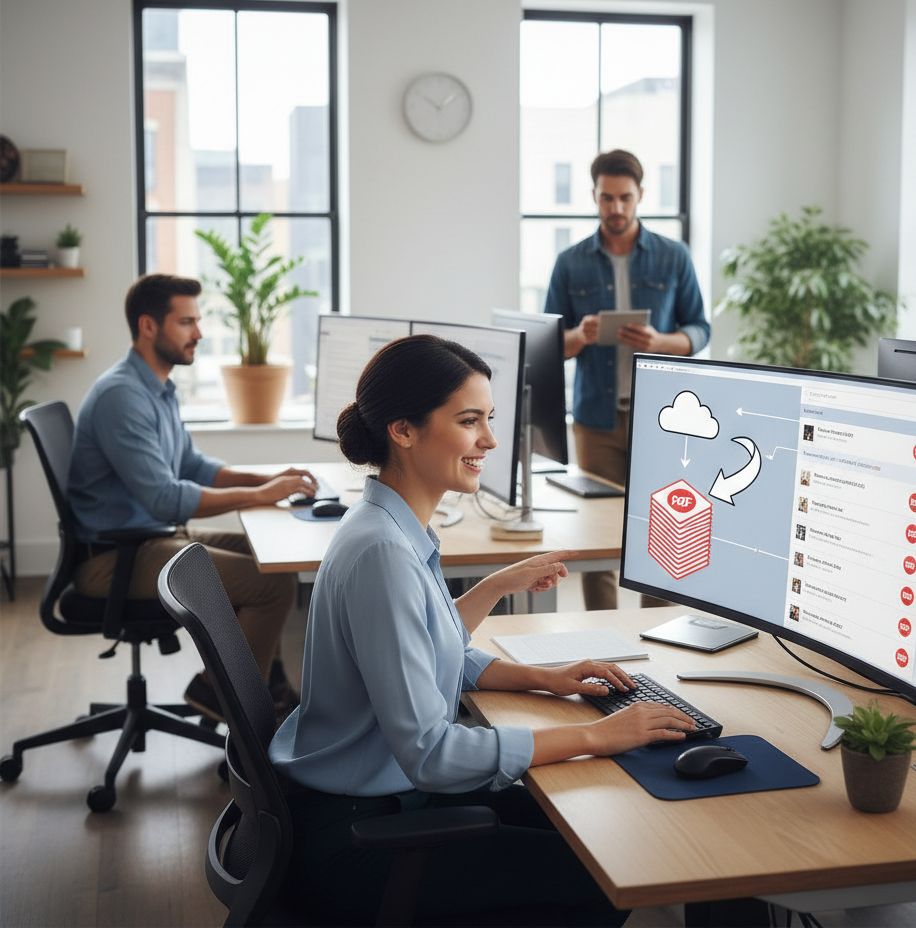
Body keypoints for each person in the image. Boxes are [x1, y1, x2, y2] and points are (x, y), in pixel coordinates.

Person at [270, 335, 697, 926]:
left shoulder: (389, 526)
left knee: (593, 825)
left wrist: (545, 676)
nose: (491, 441)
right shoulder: (382, 553)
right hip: (358, 842)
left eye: (489, 419)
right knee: (606, 876)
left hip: (378, 800)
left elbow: (431, 647)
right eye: (470, 421)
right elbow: (431, 753)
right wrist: (597, 736)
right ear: (404, 430)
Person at [68, 273, 317, 721]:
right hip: (113, 559)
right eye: (187, 322)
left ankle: (268, 688)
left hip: (150, 538)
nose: (199, 333)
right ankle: (227, 701)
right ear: (148, 326)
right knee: (272, 586)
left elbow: (192, 466)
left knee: (270, 560)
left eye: (198, 321)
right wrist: (259, 495)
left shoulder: (157, 387)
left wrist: (267, 478)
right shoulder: (122, 396)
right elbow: (166, 498)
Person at [545, 149, 711, 610]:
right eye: (606, 198)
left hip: (663, 418)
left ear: (640, 195)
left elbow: (700, 331)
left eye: (624, 198)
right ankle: (602, 634)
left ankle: (657, 634)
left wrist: (660, 341)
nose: (615, 208)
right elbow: (548, 344)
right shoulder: (570, 262)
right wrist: (580, 335)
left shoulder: (673, 257)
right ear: (594, 196)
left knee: (663, 532)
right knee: (597, 534)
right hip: (595, 421)